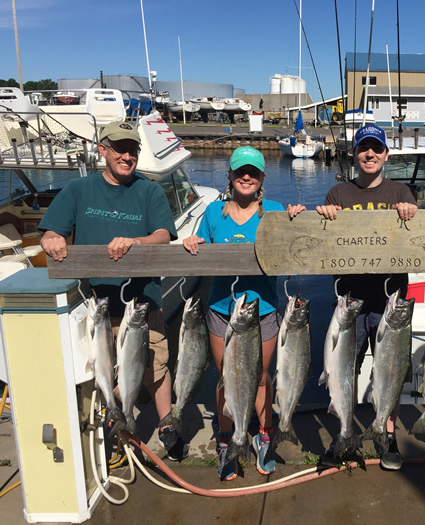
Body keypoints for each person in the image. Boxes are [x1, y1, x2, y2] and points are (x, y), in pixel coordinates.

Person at [38, 120, 188, 461]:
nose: (127, 155)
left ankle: (165, 424)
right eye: (120, 148)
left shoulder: (148, 190)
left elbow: (164, 235)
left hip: (142, 302)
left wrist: (135, 241)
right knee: (101, 371)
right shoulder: (78, 190)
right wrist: (52, 238)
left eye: (132, 149)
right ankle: (115, 429)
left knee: (157, 364)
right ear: (102, 149)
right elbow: (50, 231)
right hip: (98, 307)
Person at [183, 146, 304, 481]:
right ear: (230, 177)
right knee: (227, 379)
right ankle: (228, 440)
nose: (246, 177)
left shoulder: (275, 211)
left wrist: (298, 217)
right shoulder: (213, 212)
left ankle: (263, 437)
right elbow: (199, 247)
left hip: (263, 311)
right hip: (222, 311)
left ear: (262, 178)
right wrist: (192, 243)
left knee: (260, 378)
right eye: (240, 172)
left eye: (253, 172)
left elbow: (298, 244)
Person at [315, 124, 417, 470]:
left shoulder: (401, 191)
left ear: (386, 154)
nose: (369, 154)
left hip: (390, 303)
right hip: (350, 301)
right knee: (344, 369)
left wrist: (411, 214)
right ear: (354, 154)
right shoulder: (338, 194)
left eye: (376, 148)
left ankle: (386, 435)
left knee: (391, 370)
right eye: (363, 148)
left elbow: (416, 238)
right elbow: (322, 241)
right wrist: (324, 217)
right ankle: (344, 431)